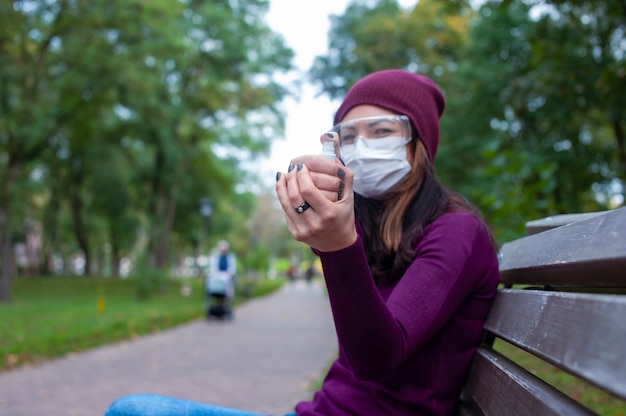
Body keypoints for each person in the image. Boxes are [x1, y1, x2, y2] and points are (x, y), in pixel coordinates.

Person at [103, 69, 500, 416]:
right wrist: (331, 234)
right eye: (348, 135)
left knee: (132, 411)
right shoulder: (372, 228)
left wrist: (339, 247)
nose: (361, 146)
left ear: (418, 144)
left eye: (381, 131)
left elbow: (377, 358)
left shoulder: (456, 231)